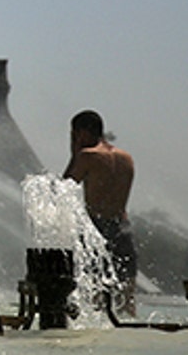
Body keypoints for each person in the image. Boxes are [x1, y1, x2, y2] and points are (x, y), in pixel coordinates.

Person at [62, 109, 137, 314]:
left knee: (96, 296)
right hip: (123, 227)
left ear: (83, 133)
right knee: (127, 299)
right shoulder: (126, 158)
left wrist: (74, 154)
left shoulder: (88, 156)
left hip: (97, 227)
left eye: (74, 134)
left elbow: (65, 186)